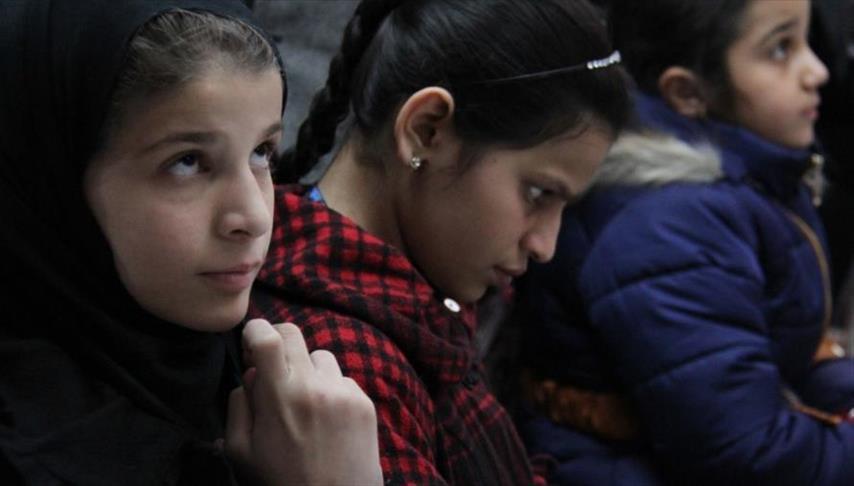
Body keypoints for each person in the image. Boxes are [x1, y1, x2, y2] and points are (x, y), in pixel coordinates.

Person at [248, 0, 631, 484]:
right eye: (539, 193)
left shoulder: (418, 303)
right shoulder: (339, 374)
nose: (545, 245)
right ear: (426, 130)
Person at [0, 1, 381, 484]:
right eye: (188, 162)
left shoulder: (255, 372)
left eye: (262, 152)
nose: (253, 216)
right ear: (55, 183)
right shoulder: (36, 455)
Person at [512, 0, 854, 484]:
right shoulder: (667, 226)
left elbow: (791, 350)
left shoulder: (753, 172)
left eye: (805, 40)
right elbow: (746, 454)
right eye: (780, 49)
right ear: (688, 92)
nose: (817, 71)